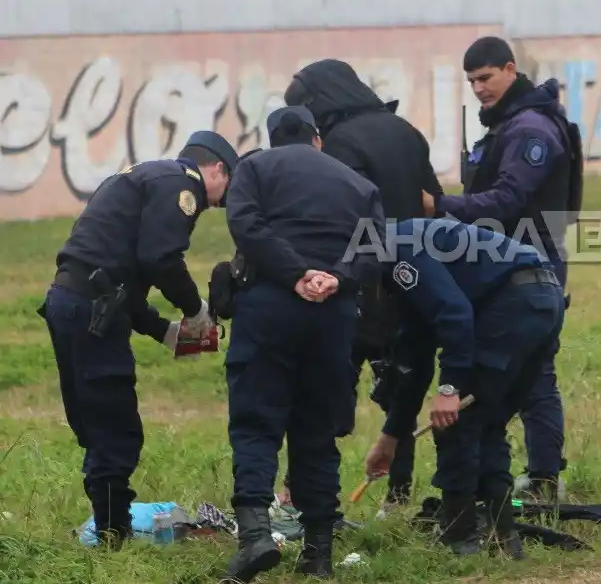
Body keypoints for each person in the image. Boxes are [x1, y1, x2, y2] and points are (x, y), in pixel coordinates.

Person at [309, 217, 564, 558]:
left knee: (455, 422)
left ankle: (459, 539)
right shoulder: (402, 268)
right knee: (486, 423)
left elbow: (455, 315)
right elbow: (417, 364)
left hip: (513, 304)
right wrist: (390, 439)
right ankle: (503, 540)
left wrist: (449, 389)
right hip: (543, 299)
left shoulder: (394, 249)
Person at [39, 130, 237, 548]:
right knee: (115, 426)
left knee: (93, 422)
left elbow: (119, 277)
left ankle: (108, 525)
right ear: (217, 168)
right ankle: (114, 536)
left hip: (70, 301)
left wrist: (165, 333)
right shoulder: (184, 186)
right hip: (93, 310)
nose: (220, 201)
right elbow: (160, 259)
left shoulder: (142, 177)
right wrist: (195, 310)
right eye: (227, 185)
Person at [221, 105, 385, 582]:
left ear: (274, 140)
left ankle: (254, 536)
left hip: (270, 305)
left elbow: (246, 226)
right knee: (316, 431)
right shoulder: (357, 183)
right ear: (317, 140)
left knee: (256, 421)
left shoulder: (254, 167)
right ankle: (319, 553)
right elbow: (375, 249)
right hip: (332, 316)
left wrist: (295, 273)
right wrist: (335, 277)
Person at [423, 36, 584, 501]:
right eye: (471, 81)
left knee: (535, 375)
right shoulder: (509, 123)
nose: (478, 88)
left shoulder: (529, 128)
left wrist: (441, 207)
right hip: (503, 265)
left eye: (486, 77)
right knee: (511, 372)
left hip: (531, 265)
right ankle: (508, 478)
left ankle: (542, 481)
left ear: (510, 70)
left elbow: (509, 200)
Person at [284, 59, 443, 506]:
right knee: (404, 385)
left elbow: (333, 213)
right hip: (414, 273)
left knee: (328, 386)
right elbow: (430, 203)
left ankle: (311, 493)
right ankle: (400, 492)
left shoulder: (337, 143)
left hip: (359, 280)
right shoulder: (406, 131)